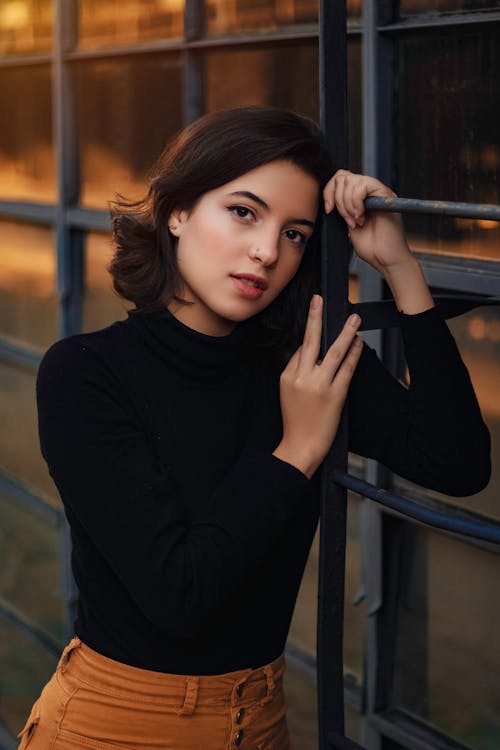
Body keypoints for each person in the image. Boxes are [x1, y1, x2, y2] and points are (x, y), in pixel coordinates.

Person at [19, 106, 490, 750]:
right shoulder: (86, 374)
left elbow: (457, 463)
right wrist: (296, 451)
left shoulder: (303, 364)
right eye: (244, 212)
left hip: (262, 724)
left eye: (295, 233)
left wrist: (400, 268)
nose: (268, 251)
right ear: (178, 212)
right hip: (118, 726)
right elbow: (179, 598)